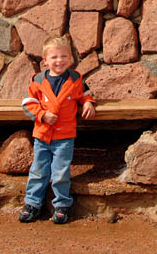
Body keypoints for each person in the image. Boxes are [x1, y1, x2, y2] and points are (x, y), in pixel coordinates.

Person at [18, 36, 96, 224]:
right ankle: (32, 204)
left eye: (63, 56)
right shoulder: (37, 81)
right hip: (42, 135)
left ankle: (61, 205)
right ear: (45, 61)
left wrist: (88, 103)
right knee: (38, 170)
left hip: (64, 136)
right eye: (54, 57)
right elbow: (28, 104)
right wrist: (42, 115)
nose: (59, 61)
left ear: (70, 59)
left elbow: (86, 95)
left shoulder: (75, 80)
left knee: (60, 172)